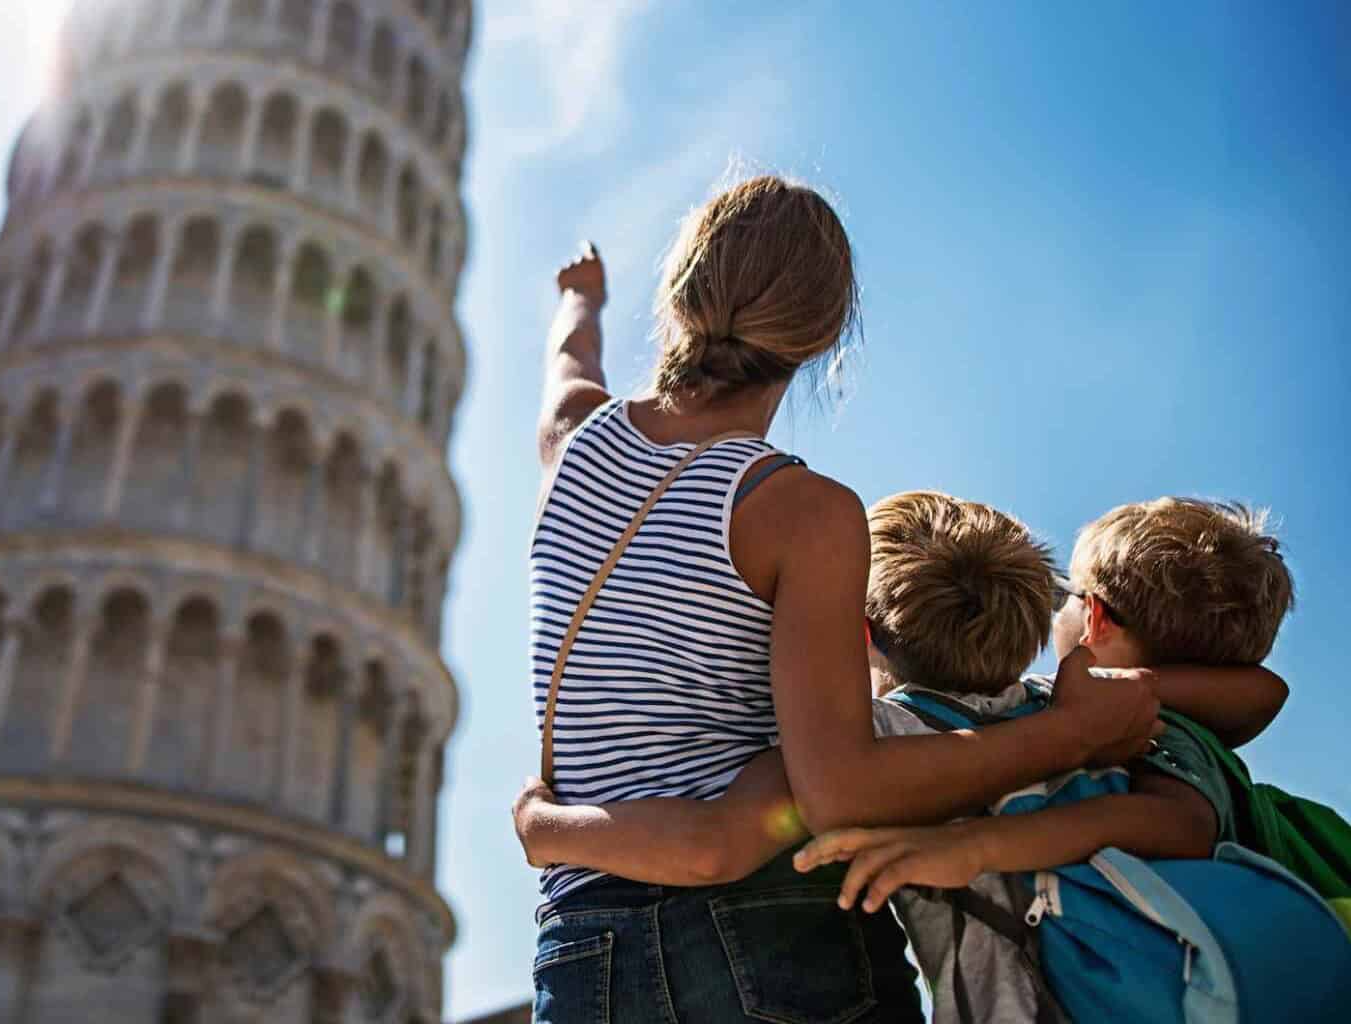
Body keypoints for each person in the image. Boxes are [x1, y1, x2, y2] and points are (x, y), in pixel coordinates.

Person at [525, 174, 1162, 1024]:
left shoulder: (571, 448)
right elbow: (838, 788)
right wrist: (1073, 733)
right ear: (822, 337)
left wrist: (581, 299)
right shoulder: (800, 511)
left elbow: (570, 364)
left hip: (576, 949)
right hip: (764, 936)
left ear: (680, 292)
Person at [792, 497, 1296, 1021]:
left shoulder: (879, 737)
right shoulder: (1075, 707)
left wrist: (974, 845)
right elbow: (1262, 692)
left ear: (862, 634)